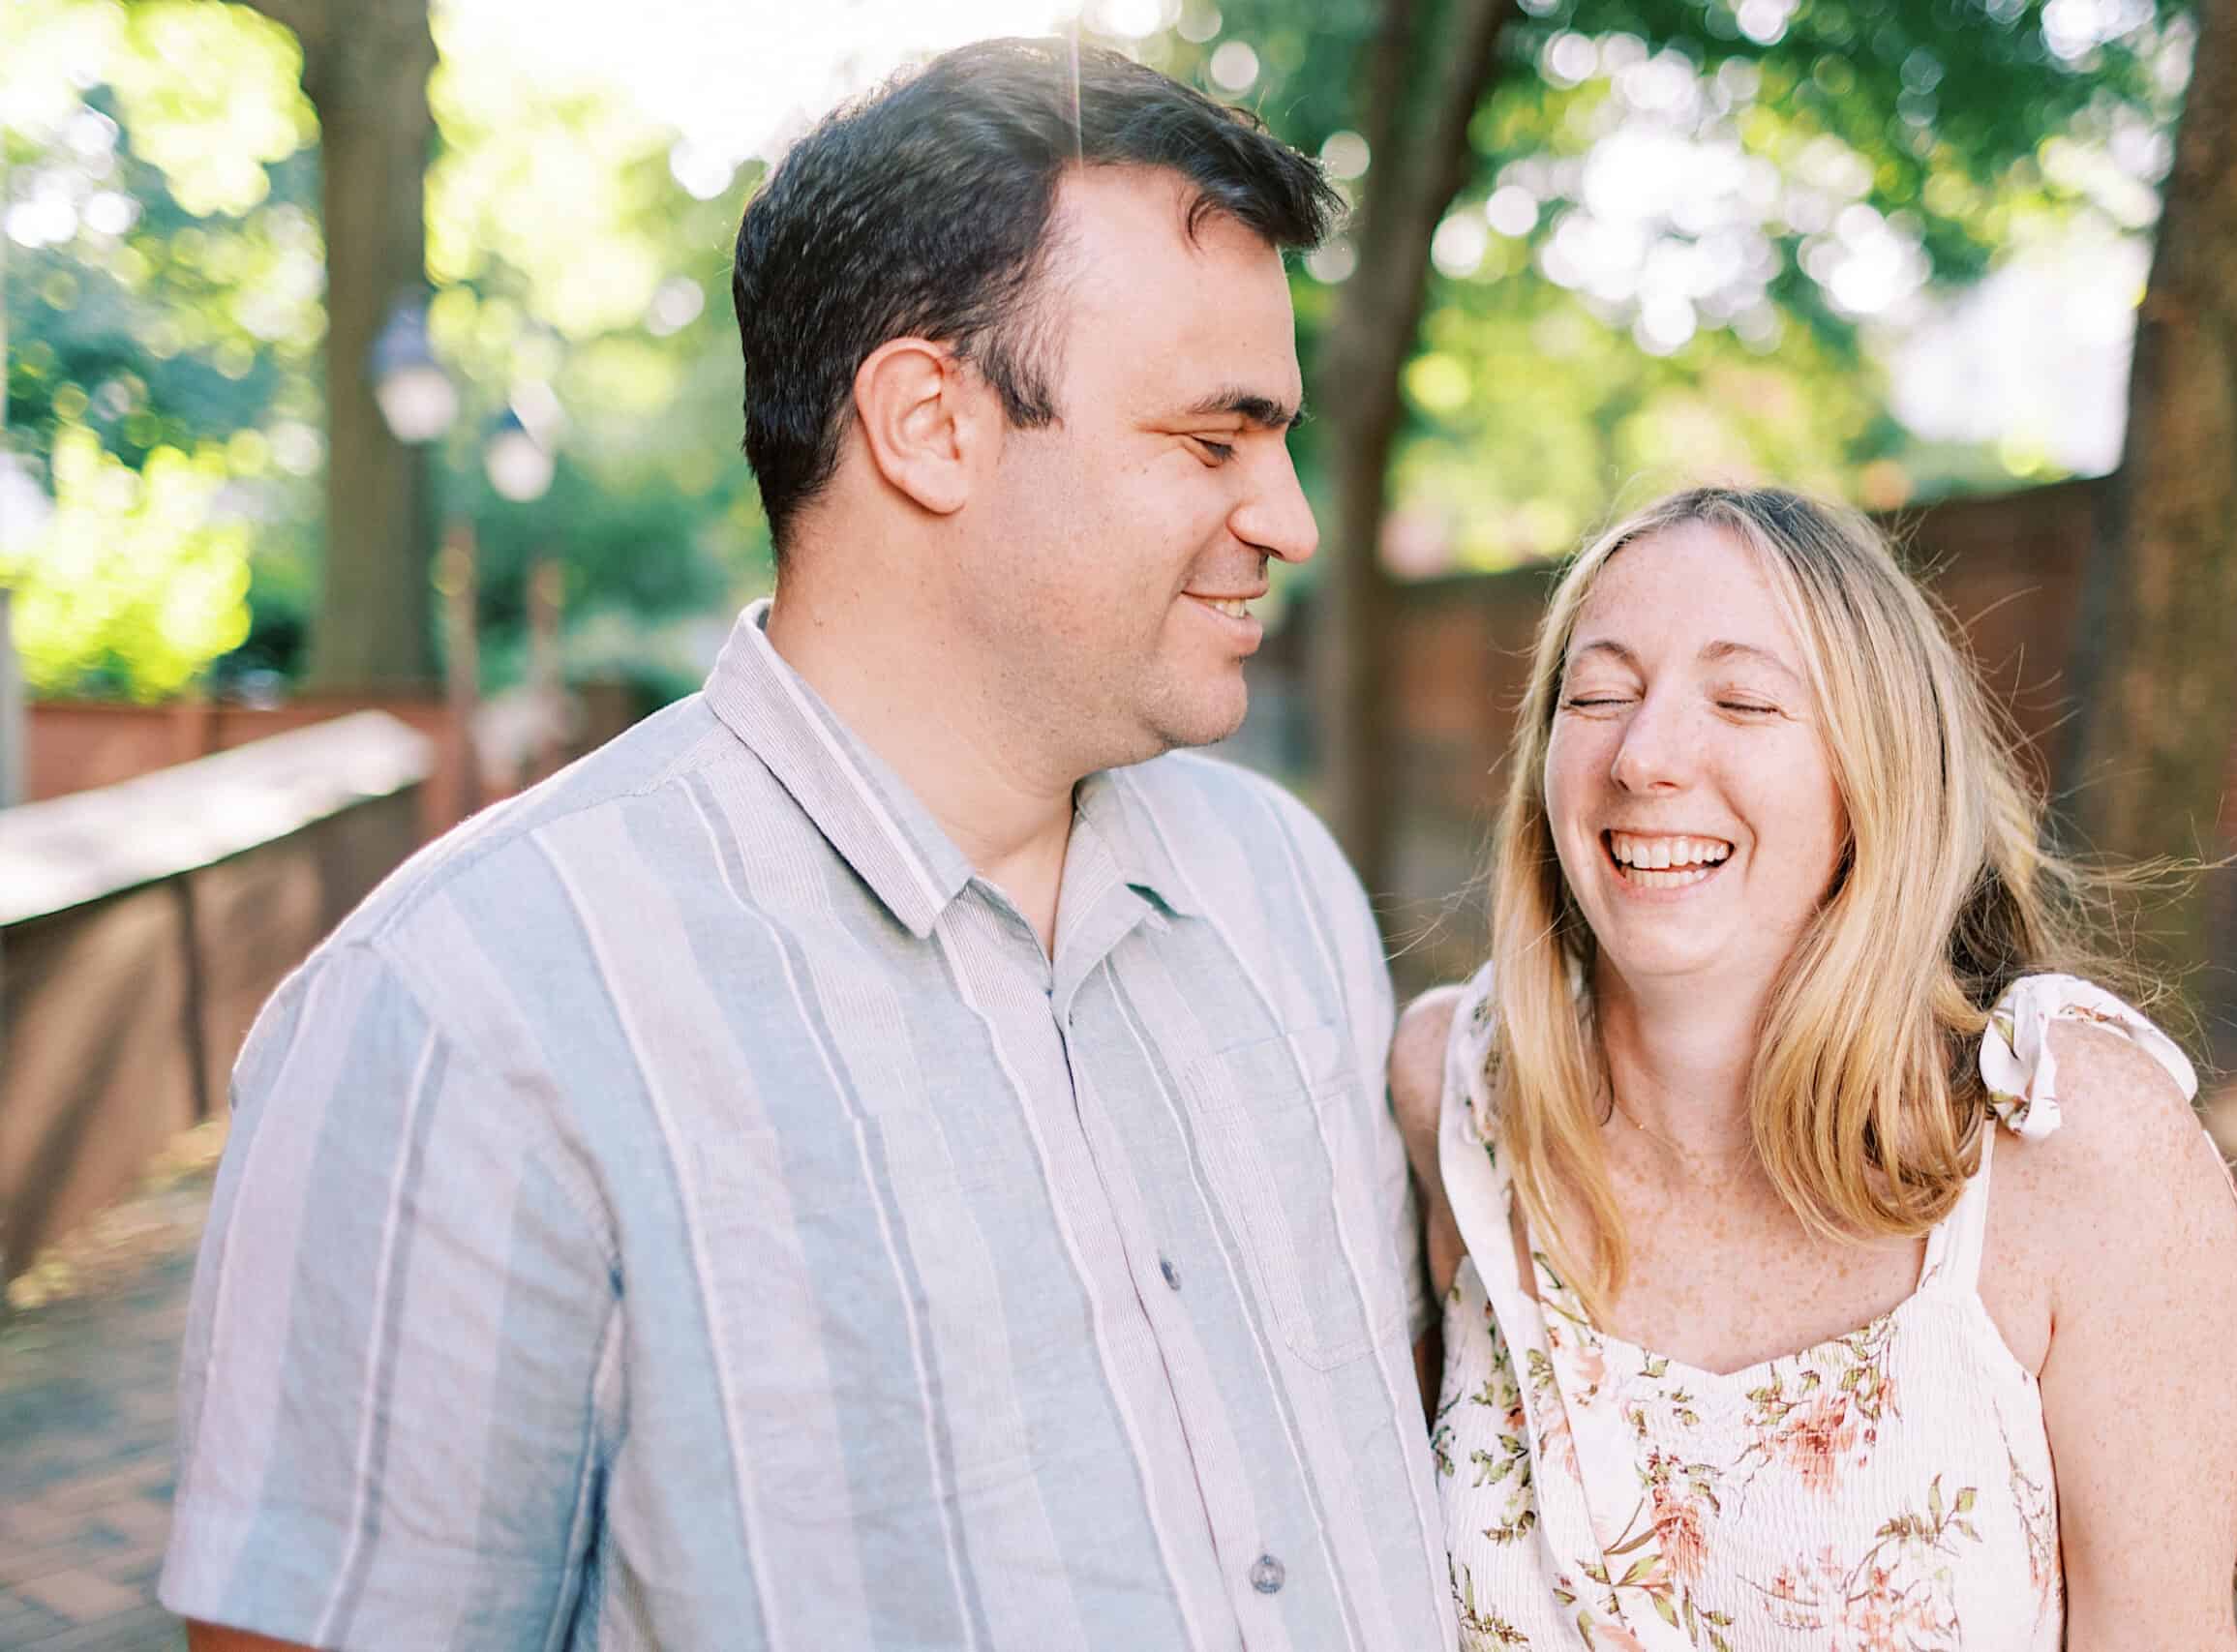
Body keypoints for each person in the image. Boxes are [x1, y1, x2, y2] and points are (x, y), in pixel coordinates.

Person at [162, 38, 1452, 1651]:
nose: (1290, 517)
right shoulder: (470, 1013)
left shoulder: (1279, 884)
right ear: (930, 423)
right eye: (1213, 439)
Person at [1390, 487, 2237, 1649]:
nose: (1644, 756)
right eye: (1598, 694)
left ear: (1877, 776)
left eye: (1745, 700)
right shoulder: (1451, 1097)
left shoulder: (2072, 1144)